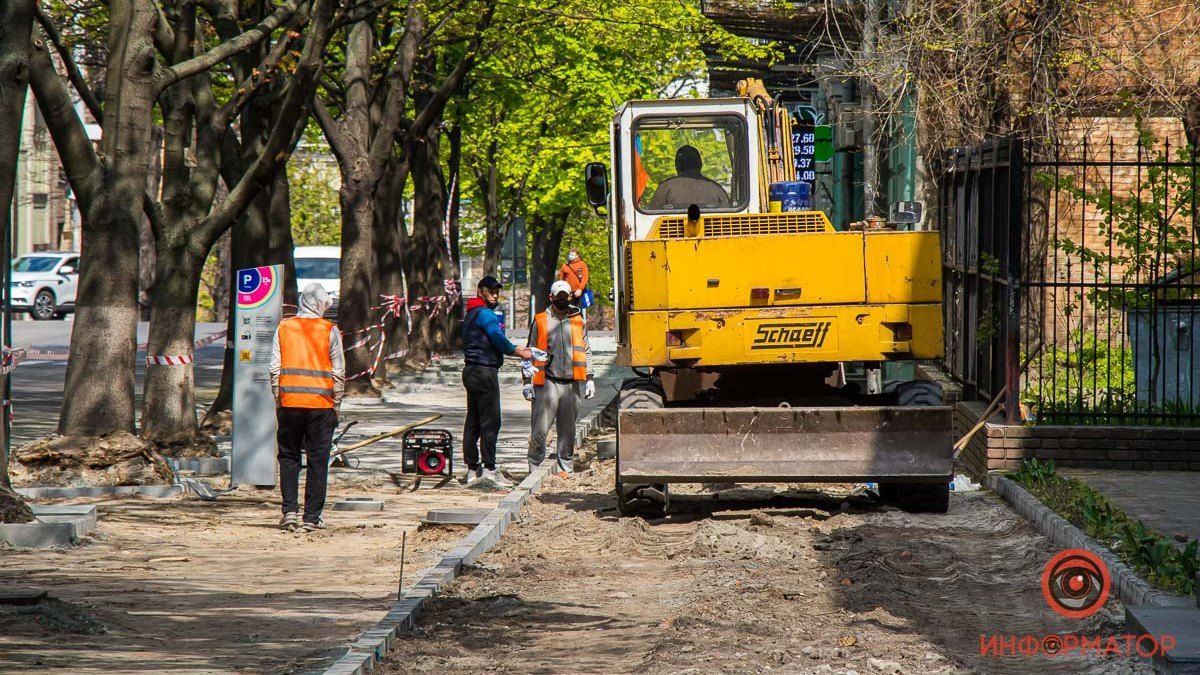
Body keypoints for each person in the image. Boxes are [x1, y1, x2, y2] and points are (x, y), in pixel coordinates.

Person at [271, 283, 344, 532]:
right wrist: (337, 404)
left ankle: (289, 511)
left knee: (289, 457)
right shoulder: (329, 331)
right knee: (318, 460)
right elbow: (339, 372)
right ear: (321, 305)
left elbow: (274, 367)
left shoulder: (284, 327)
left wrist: (278, 399)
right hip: (321, 406)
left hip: (290, 403)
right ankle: (312, 517)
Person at [462, 276, 534, 486]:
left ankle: (471, 469)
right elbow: (497, 338)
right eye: (491, 290)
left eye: (497, 290)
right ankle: (490, 469)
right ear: (480, 291)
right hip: (485, 372)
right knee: (490, 421)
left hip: (470, 371)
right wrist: (518, 350)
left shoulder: (471, 314)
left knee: (473, 420)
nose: (495, 294)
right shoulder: (486, 315)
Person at [524, 280, 595, 477]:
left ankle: (566, 469)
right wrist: (526, 382)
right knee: (540, 430)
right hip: (547, 382)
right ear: (551, 297)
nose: (563, 298)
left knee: (568, 433)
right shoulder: (540, 321)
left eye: (566, 295)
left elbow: (586, 349)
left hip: (572, 385)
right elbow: (529, 351)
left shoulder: (578, 320)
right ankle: (534, 470)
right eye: (559, 295)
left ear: (571, 296)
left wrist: (590, 377)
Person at [648, 144, 731, 210]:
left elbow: (652, 217)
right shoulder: (716, 189)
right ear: (700, 165)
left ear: (677, 166)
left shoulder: (665, 188)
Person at [558, 248, 591, 315]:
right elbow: (561, 279)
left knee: (577, 311)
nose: (570, 256)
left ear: (577, 256)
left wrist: (580, 289)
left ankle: (579, 324)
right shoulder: (565, 266)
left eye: (572, 254)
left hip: (578, 293)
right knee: (567, 311)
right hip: (567, 293)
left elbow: (585, 278)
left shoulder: (582, 264)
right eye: (569, 254)